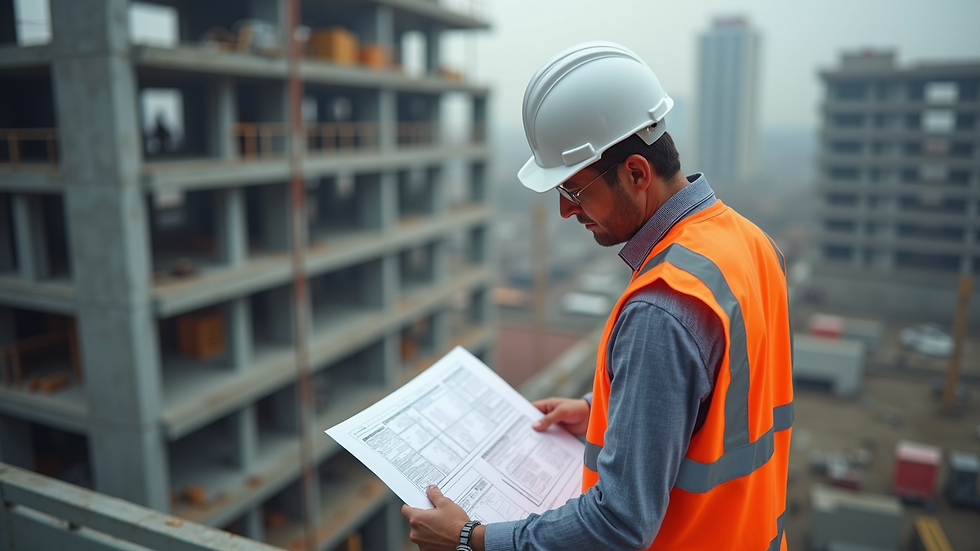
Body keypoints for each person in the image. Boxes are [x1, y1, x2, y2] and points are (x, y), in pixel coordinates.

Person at [401, 41, 794, 551]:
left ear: (636, 173)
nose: (567, 212)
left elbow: (618, 524)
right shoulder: (749, 242)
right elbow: (726, 397)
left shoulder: (662, 307)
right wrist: (603, 410)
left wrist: (468, 540)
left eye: (575, 190)